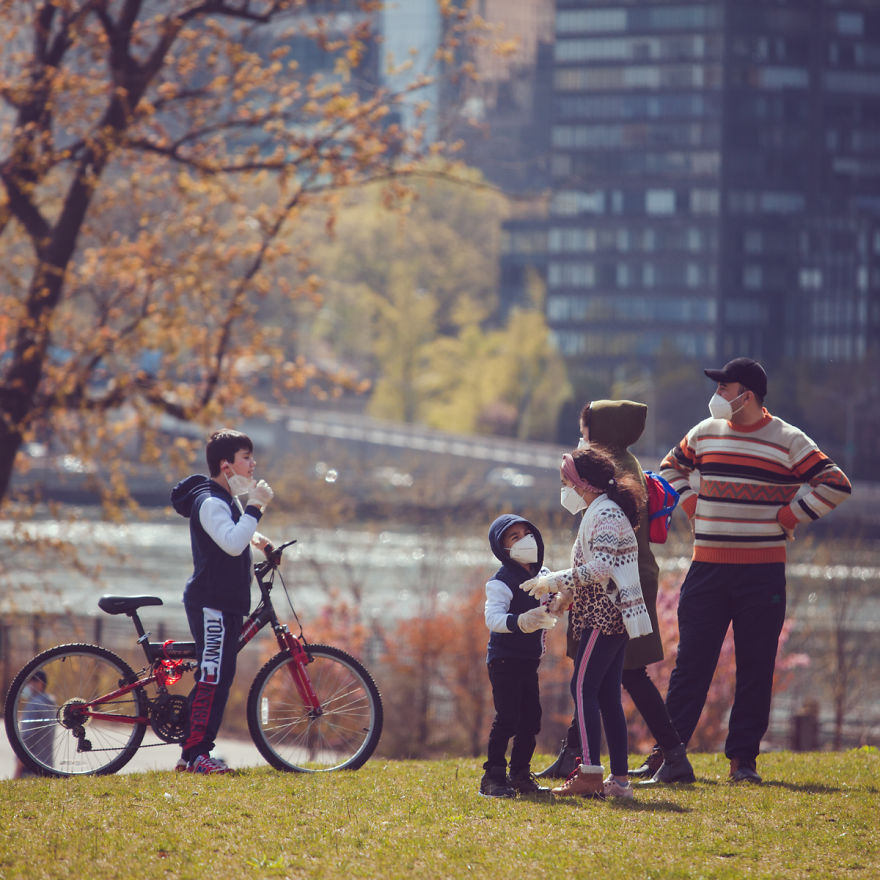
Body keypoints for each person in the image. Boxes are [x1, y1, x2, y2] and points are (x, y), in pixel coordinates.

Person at [659, 358, 851, 783]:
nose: (716, 395)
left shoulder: (789, 440)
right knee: (690, 665)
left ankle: (743, 762)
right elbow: (669, 467)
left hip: (761, 576)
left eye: (723, 388)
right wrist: (690, 503)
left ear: (746, 395)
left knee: (756, 668)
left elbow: (836, 483)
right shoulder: (704, 432)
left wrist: (791, 514)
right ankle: (668, 757)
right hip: (706, 571)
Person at [540, 401, 693, 784]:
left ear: (601, 430)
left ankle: (670, 755)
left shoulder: (612, 473)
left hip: (615, 592)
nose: (582, 437)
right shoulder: (622, 465)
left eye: (585, 429)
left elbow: (604, 559)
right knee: (603, 679)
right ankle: (586, 759)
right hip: (616, 587)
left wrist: (560, 581)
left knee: (616, 677)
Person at [522, 446, 653, 800]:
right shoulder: (599, 511)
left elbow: (601, 568)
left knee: (581, 688)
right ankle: (619, 781)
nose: (565, 490)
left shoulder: (606, 514)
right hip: (603, 611)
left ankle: (590, 773)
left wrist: (555, 581)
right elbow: (594, 568)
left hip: (604, 614)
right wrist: (565, 597)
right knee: (607, 695)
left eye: (567, 482)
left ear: (585, 483)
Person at [170, 429, 275, 774]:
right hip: (211, 602)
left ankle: (190, 755)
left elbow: (233, 531)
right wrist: (256, 506)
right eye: (246, 457)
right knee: (212, 677)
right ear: (225, 465)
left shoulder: (225, 499)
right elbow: (230, 542)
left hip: (226, 601)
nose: (253, 464)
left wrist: (259, 541)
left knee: (218, 675)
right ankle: (198, 754)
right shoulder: (211, 501)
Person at [481, 514, 558, 798]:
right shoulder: (500, 582)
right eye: (515, 537)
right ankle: (493, 776)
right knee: (507, 718)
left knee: (531, 718)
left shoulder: (543, 575)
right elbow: (493, 618)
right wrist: (520, 622)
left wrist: (559, 601)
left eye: (527, 533)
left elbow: (555, 597)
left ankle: (520, 774)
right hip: (504, 660)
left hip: (529, 660)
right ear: (503, 548)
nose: (524, 540)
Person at [14, 669, 56, 777]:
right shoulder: (50, 704)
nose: (26, 686)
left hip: (30, 768)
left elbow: (27, 740)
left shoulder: (33, 705)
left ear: (39, 683)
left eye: (29, 682)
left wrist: (17, 770)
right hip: (47, 766)